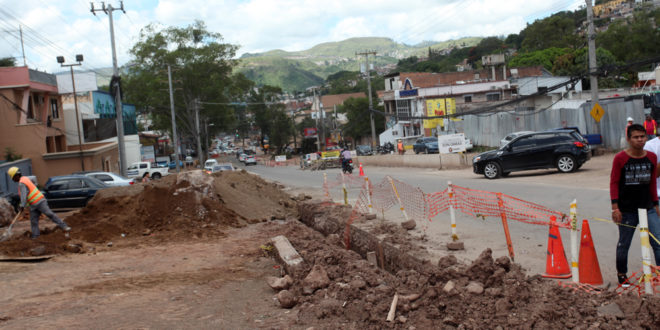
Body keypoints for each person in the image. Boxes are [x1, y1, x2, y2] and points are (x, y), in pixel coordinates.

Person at [610, 124, 660, 287]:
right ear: (629, 139)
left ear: (647, 137)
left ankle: (658, 272)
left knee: (657, 241)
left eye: (642, 136)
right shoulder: (620, 158)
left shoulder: (652, 157)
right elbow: (614, 182)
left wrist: (655, 204)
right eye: (636, 137)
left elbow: (652, 182)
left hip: (648, 208)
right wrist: (615, 207)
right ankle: (622, 275)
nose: (640, 140)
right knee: (624, 243)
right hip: (627, 210)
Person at [6, 167, 71, 239]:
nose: (12, 179)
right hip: (33, 205)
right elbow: (34, 178)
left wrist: (22, 206)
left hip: (40, 201)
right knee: (33, 221)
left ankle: (64, 226)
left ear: (16, 176)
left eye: (12, 177)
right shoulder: (25, 178)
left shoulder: (22, 183)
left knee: (49, 214)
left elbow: (24, 196)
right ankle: (35, 237)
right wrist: (35, 186)